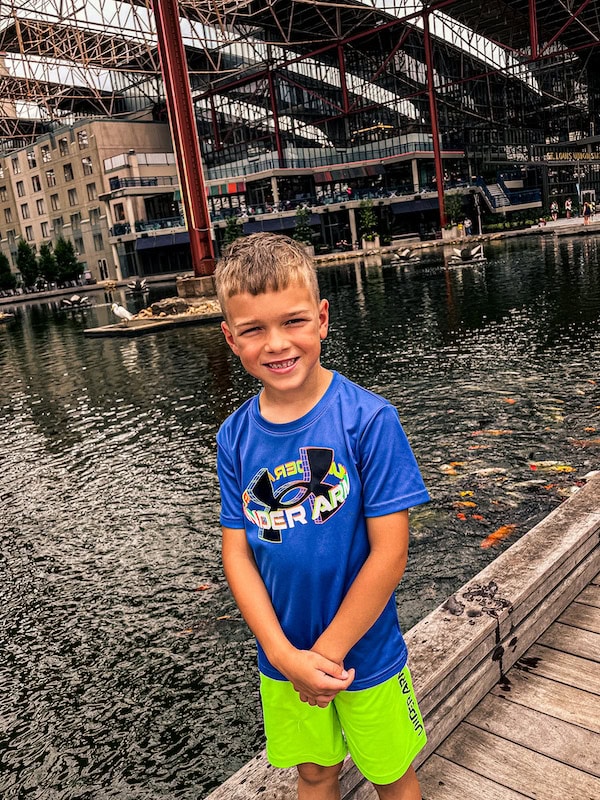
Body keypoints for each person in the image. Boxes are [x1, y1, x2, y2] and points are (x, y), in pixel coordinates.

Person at [214, 232, 430, 800]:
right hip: (282, 658)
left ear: (323, 318)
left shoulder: (369, 420)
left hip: (364, 655)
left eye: (293, 321)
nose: (277, 344)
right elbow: (236, 552)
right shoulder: (234, 438)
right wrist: (286, 657)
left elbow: (391, 551)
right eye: (254, 329)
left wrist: (327, 655)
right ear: (230, 337)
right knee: (312, 772)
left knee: (391, 770)